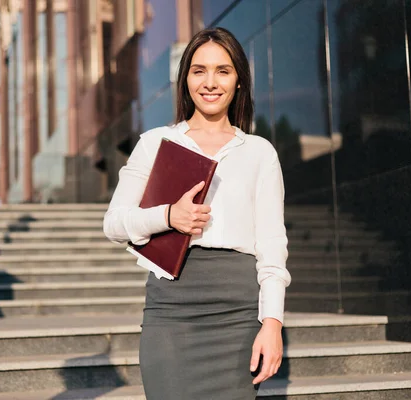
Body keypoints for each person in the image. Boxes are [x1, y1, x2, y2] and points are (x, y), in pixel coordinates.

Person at [103, 27, 291, 399]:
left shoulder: (259, 152)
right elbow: (114, 224)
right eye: (198, 70)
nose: (210, 82)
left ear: (239, 81)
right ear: (185, 78)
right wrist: (168, 216)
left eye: (223, 70)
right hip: (171, 311)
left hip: (237, 315)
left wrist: (272, 324)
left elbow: (272, 247)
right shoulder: (156, 143)